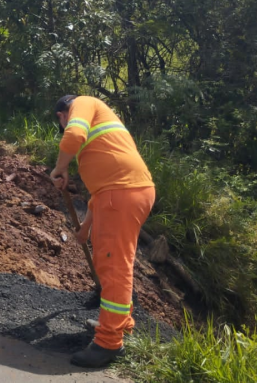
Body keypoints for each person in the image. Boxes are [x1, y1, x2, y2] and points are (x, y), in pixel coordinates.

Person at [49, 94, 155, 368]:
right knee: (113, 263)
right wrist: (85, 228)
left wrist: (60, 169)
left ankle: (108, 343)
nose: (64, 124)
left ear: (61, 114)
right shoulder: (102, 136)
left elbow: (72, 136)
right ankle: (121, 325)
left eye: (61, 122)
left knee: (114, 268)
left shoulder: (81, 104)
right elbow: (99, 192)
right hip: (120, 193)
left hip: (122, 194)